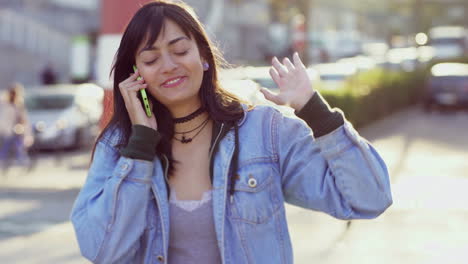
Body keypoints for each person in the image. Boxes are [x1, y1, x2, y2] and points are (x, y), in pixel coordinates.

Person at [70, 1, 392, 263]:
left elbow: (368, 198)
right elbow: (102, 250)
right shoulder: (119, 147)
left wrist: (314, 111)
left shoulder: (264, 132)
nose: (168, 65)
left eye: (180, 51)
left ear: (204, 57)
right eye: (152, 59)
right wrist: (140, 146)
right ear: (136, 76)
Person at [0, 83, 33, 167]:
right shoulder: (4, 104)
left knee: (17, 145)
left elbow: (23, 118)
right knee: (6, 146)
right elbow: (4, 118)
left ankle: (23, 161)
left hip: (16, 129)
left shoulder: (18, 105)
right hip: (6, 129)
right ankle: (3, 160)